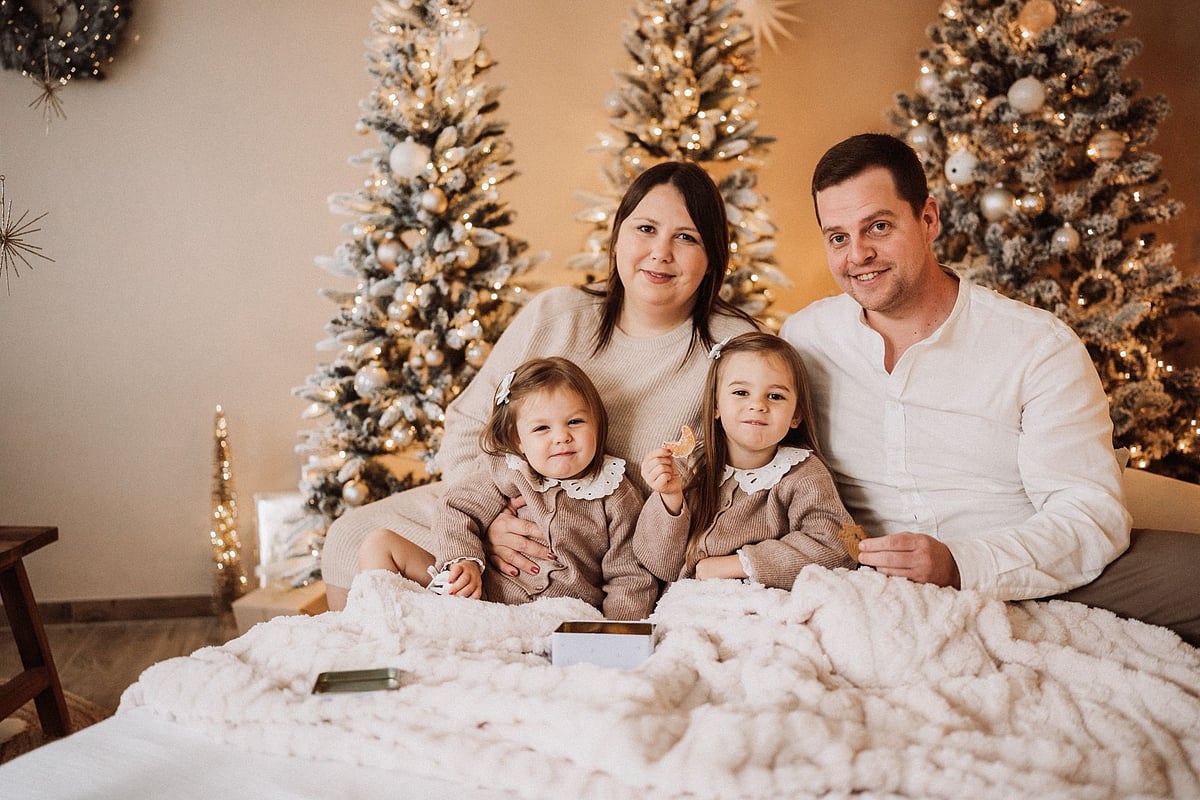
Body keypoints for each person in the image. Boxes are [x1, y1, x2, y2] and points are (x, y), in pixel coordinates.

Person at [780, 132, 1200, 646]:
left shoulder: (1038, 346)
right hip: (865, 579)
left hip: (1029, 565)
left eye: (879, 227)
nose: (858, 254)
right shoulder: (805, 338)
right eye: (837, 237)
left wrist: (960, 563)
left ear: (929, 218)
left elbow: (1089, 513)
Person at [322, 160, 759, 610]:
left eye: (686, 237)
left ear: (712, 257)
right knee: (349, 535)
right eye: (645, 228)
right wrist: (487, 527)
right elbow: (472, 422)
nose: (660, 252)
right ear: (617, 238)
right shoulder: (557, 312)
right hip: (506, 503)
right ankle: (380, 664)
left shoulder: (734, 347)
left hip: (608, 542)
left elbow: (747, 473)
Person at [359, 357, 657, 620]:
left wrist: (617, 635)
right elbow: (456, 508)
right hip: (482, 600)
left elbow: (628, 576)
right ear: (518, 441)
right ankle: (380, 633)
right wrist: (465, 560)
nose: (562, 437)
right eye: (542, 428)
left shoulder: (614, 492)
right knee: (378, 542)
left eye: (575, 422)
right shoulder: (507, 469)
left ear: (598, 425)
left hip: (559, 617)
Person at [634, 331, 855, 589]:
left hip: (766, 601)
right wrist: (670, 499)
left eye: (775, 396)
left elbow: (841, 547)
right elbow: (661, 565)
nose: (757, 405)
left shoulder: (803, 474)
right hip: (691, 604)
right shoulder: (690, 468)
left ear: (796, 415)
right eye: (741, 392)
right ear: (716, 405)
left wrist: (737, 565)